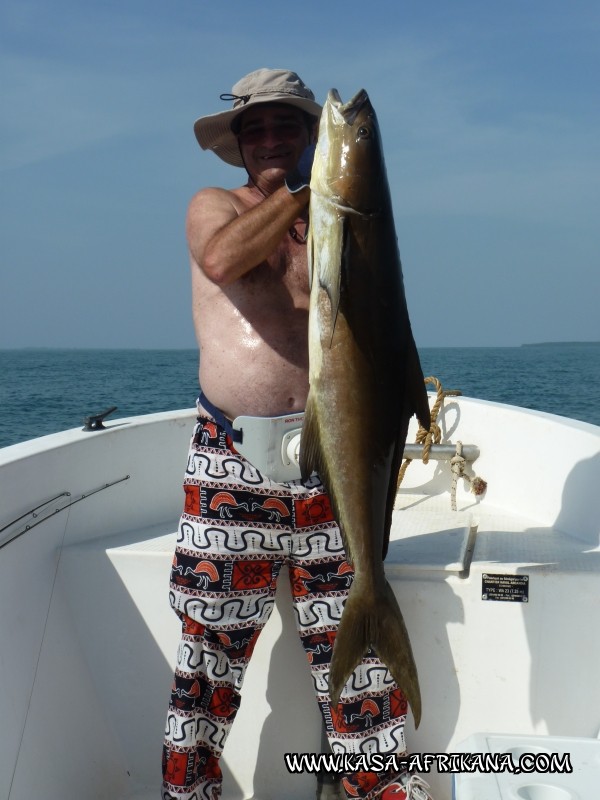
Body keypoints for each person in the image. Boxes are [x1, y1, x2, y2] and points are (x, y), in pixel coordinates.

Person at [161, 68, 433, 800]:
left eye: (288, 126)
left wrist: (335, 202)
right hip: (232, 469)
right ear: (239, 145)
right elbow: (222, 260)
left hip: (327, 473)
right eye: (258, 129)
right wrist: (303, 192)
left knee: (363, 686)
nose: (272, 139)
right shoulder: (215, 207)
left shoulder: (337, 224)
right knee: (204, 669)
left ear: (314, 135)